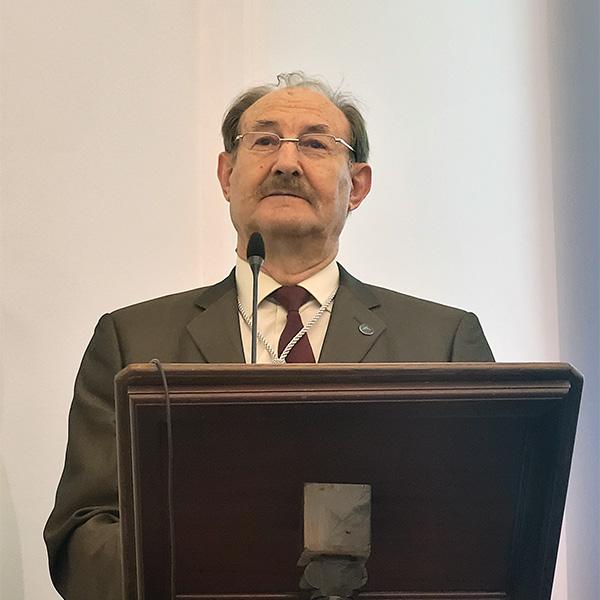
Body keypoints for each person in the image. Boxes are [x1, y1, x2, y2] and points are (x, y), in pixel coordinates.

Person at [44, 72, 493, 599]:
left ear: (359, 185)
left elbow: (482, 535)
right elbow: (83, 535)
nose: (286, 162)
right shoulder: (133, 339)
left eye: (315, 144)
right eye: (264, 141)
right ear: (227, 174)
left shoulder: (442, 341)